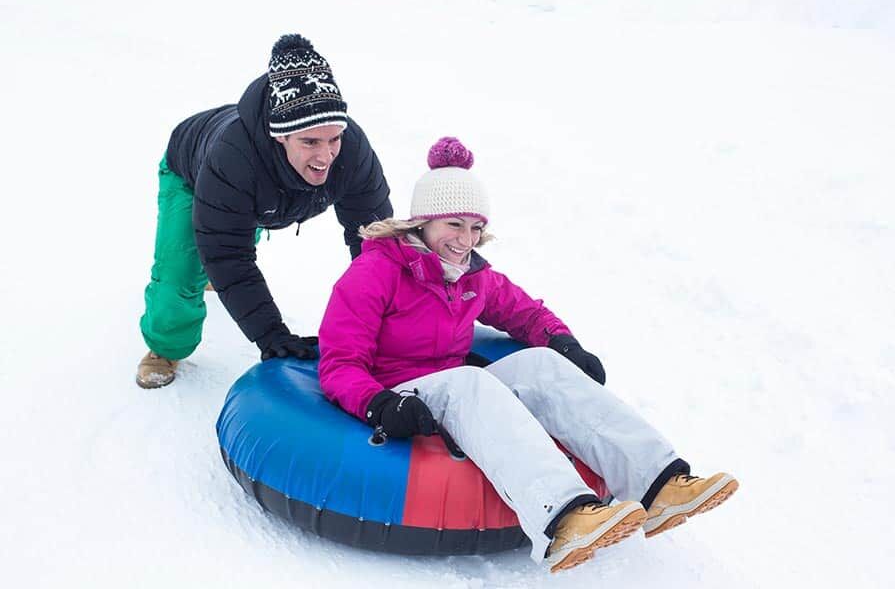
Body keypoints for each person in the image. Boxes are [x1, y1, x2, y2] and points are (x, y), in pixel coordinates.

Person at [317, 137, 739, 572]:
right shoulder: (376, 271)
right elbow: (339, 363)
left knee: (541, 365)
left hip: (454, 384)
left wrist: (563, 342)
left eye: (475, 227)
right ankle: (563, 519)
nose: (465, 240)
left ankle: (659, 484)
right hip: (398, 390)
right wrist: (380, 404)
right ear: (423, 221)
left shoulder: (472, 277)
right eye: (454, 225)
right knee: (470, 382)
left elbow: (524, 312)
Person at [136, 34, 392, 389]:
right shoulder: (231, 160)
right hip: (192, 177)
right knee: (182, 271)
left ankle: (234, 239)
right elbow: (228, 253)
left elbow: (376, 241)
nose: (326, 156)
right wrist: (270, 333)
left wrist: (383, 321)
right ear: (280, 136)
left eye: (334, 139)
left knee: (236, 225)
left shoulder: (352, 150)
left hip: (261, 197)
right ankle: (165, 347)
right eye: (310, 142)